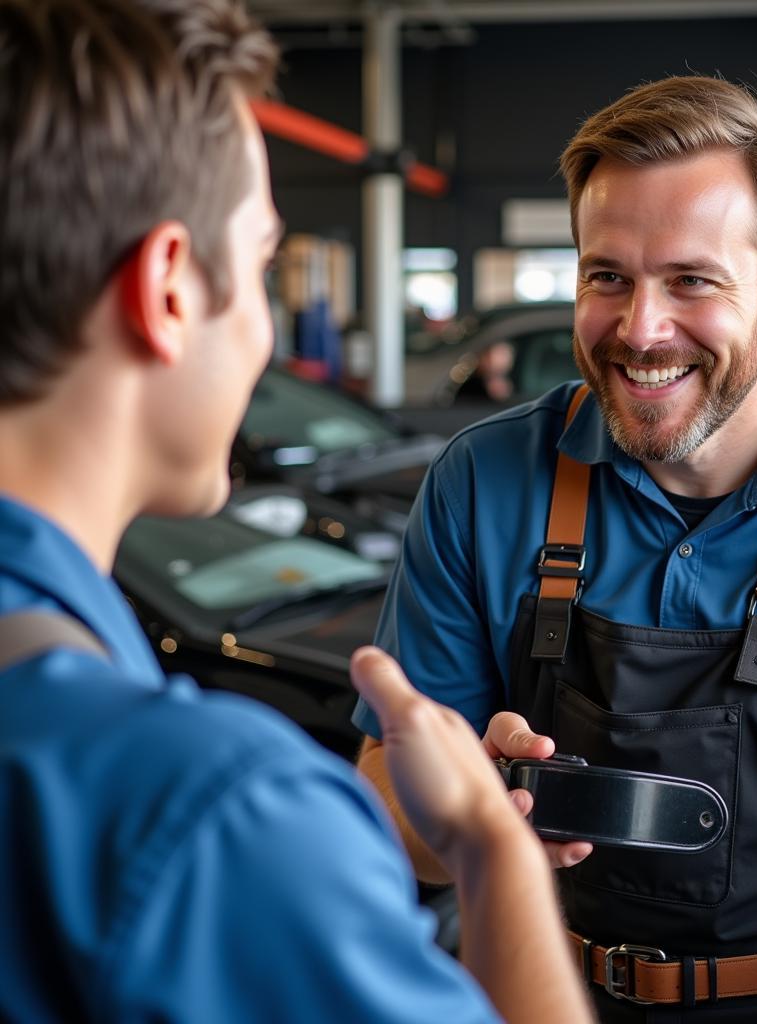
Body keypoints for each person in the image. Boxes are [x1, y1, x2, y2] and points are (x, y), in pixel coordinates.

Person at [356, 75, 757, 1023]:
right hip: (542, 992)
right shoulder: (482, 482)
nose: (640, 330)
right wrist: (466, 817)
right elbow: (383, 786)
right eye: (608, 277)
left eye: (693, 281)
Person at [0, 2, 594, 1022]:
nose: (266, 331)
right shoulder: (212, 812)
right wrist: (495, 857)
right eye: (265, 265)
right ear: (171, 288)